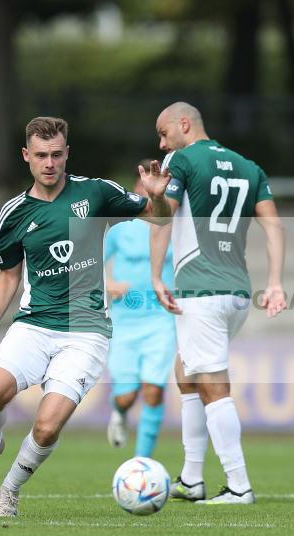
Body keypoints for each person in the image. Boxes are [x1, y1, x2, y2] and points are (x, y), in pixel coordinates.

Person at [0, 116, 171, 517]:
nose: (49, 163)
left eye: (56, 154)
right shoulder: (14, 213)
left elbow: (158, 218)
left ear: (66, 153)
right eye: (40, 156)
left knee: (47, 425)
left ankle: (10, 490)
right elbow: (9, 275)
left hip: (86, 331)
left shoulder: (96, 193)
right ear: (26, 157)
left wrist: (156, 197)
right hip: (34, 323)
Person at [150, 101, 286, 505]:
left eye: (163, 133)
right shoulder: (248, 166)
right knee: (186, 371)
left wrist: (156, 276)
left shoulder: (182, 159)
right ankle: (192, 479)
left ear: (184, 125)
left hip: (200, 290)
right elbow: (274, 225)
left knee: (212, 385)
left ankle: (239, 485)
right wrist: (275, 282)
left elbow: (163, 217)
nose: (161, 145)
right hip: (237, 292)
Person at [104, 159, 177, 458]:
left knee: (154, 390)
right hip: (124, 320)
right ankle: (119, 412)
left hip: (160, 319)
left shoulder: (174, 224)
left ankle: (142, 462)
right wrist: (109, 283)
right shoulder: (120, 229)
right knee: (127, 395)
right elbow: (90, 262)